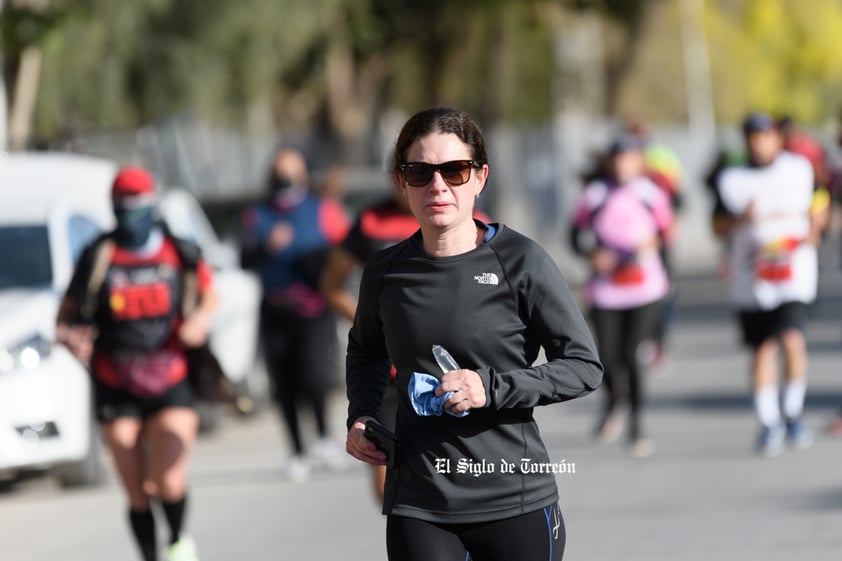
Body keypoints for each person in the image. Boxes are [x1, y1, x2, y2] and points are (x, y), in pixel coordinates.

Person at [345, 107, 603, 561]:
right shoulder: (385, 272)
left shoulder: (522, 262)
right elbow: (365, 350)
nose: (438, 186)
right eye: (420, 172)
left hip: (513, 497)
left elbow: (584, 367)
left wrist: (492, 387)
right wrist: (362, 414)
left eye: (455, 170)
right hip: (419, 500)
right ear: (401, 182)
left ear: (480, 177)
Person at [56, 166, 216, 561]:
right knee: (136, 489)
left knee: (168, 480)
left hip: (171, 375)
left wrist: (199, 321)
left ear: (151, 202)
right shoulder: (99, 254)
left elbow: (210, 295)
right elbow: (65, 316)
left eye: (137, 202)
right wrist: (71, 338)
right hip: (115, 378)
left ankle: (177, 541)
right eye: (121, 203)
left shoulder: (179, 251)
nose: (129, 211)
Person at [320, 174, 490, 505]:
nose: (430, 184)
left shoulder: (472, 222)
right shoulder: (370, 222)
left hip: (453, 374)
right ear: (399, 180)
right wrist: (375, 325)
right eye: (414, 175)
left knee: (460, 474)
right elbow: (331, 284)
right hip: (391, 375)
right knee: (387, 469)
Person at [712, 111, 826, 457]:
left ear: (777, 138)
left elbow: (819, 200)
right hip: (754, 278)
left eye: (765, 135)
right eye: (752, 137)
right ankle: (769, 421)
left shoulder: (798, 168)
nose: (759, 142)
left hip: (794, 273)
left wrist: (814, 229)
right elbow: (717, 226)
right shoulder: (732, 179)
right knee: (762, 348)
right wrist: (738, 219)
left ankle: (792, 413)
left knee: (792, 339)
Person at [239, 148, 351, 481]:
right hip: (275, 310)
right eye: (279, 171)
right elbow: (244, 258)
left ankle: (324, 437)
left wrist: (325, 266)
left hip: (315, 308)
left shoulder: (323, 209)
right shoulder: (256, 215)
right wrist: (265, 247)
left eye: (291, 170)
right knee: (284, 385)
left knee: (316, 377)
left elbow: (347, 252)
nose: (285, 178)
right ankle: (297, 452)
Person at [570, 133, 674, 458]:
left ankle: (637, 424)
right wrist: (593, 255)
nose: (623, 164)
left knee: (632, 355)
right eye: (618, 158)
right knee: (606, 357)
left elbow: (666, 235)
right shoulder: (595, 194)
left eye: (629, 158)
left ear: (638, 161)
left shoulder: (650, 194)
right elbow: (574, 236)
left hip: (645, 288)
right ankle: (615, 402)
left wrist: (654, 248)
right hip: (606, 290)